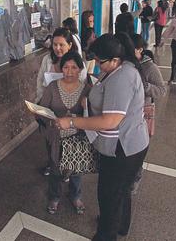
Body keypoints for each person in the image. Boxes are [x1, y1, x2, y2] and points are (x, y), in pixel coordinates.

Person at [54, 33, 149, 241]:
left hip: (123, 148)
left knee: (109, 195)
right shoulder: (119, 69)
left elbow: (110, 121)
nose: (97, 64)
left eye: (100, 61)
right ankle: (120, 225)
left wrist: (71, 122)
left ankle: (106, 235)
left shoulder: (123, 77)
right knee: (121, 191)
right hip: (131, 143)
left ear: (115, 59)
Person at [38, 52, 90, 215]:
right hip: (56, 137)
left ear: (80, 69)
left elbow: (93, 115)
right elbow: (41, 110)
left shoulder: (87, 89)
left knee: (76, 168)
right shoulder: (52, 87)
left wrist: (82, 113)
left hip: (78, 137)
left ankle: (75, 195)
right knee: (55, 168)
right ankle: (54, 197)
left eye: (74, 67)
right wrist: (50, 120)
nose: (69, 71)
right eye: (66, 67)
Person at [36, 28, 86, 176]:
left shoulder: (78, 62)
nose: (57, 48)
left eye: (61, 45)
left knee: (71, 144)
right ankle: (53, 165)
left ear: (70, 45)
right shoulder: (47, 60)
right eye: (55, 44)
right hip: (50, 111)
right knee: (51, 142)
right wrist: (40, 102)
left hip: (71, 112)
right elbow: (40, 82)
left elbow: (82, 87)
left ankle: (69, 172)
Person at [130, 34, 166, 192]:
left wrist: (144, 86)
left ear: (139, 50)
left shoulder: (150, 68)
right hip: (126, 112)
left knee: (138, 148)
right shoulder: (126, 64)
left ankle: (135, 178)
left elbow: (161, 90)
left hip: (143, 112)